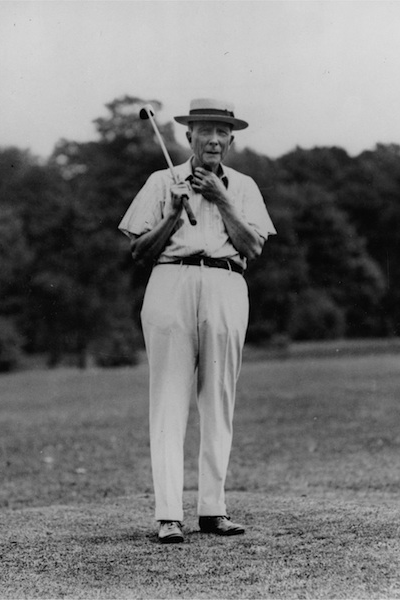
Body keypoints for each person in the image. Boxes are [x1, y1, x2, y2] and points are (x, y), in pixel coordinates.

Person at [118, 98, 276, 543]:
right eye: (203, 130)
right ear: (188, 136)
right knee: (168, 398)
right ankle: (169, 514)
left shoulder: (243, 186)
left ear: (230, 139)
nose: (212, 138)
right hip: (171, 281)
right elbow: (138, 252)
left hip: (227, 282)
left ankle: (213, 509)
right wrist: (171, 215)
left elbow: (253, 247)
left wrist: (220, 199)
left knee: (218, 398)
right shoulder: (161, 181)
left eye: (221, 131)